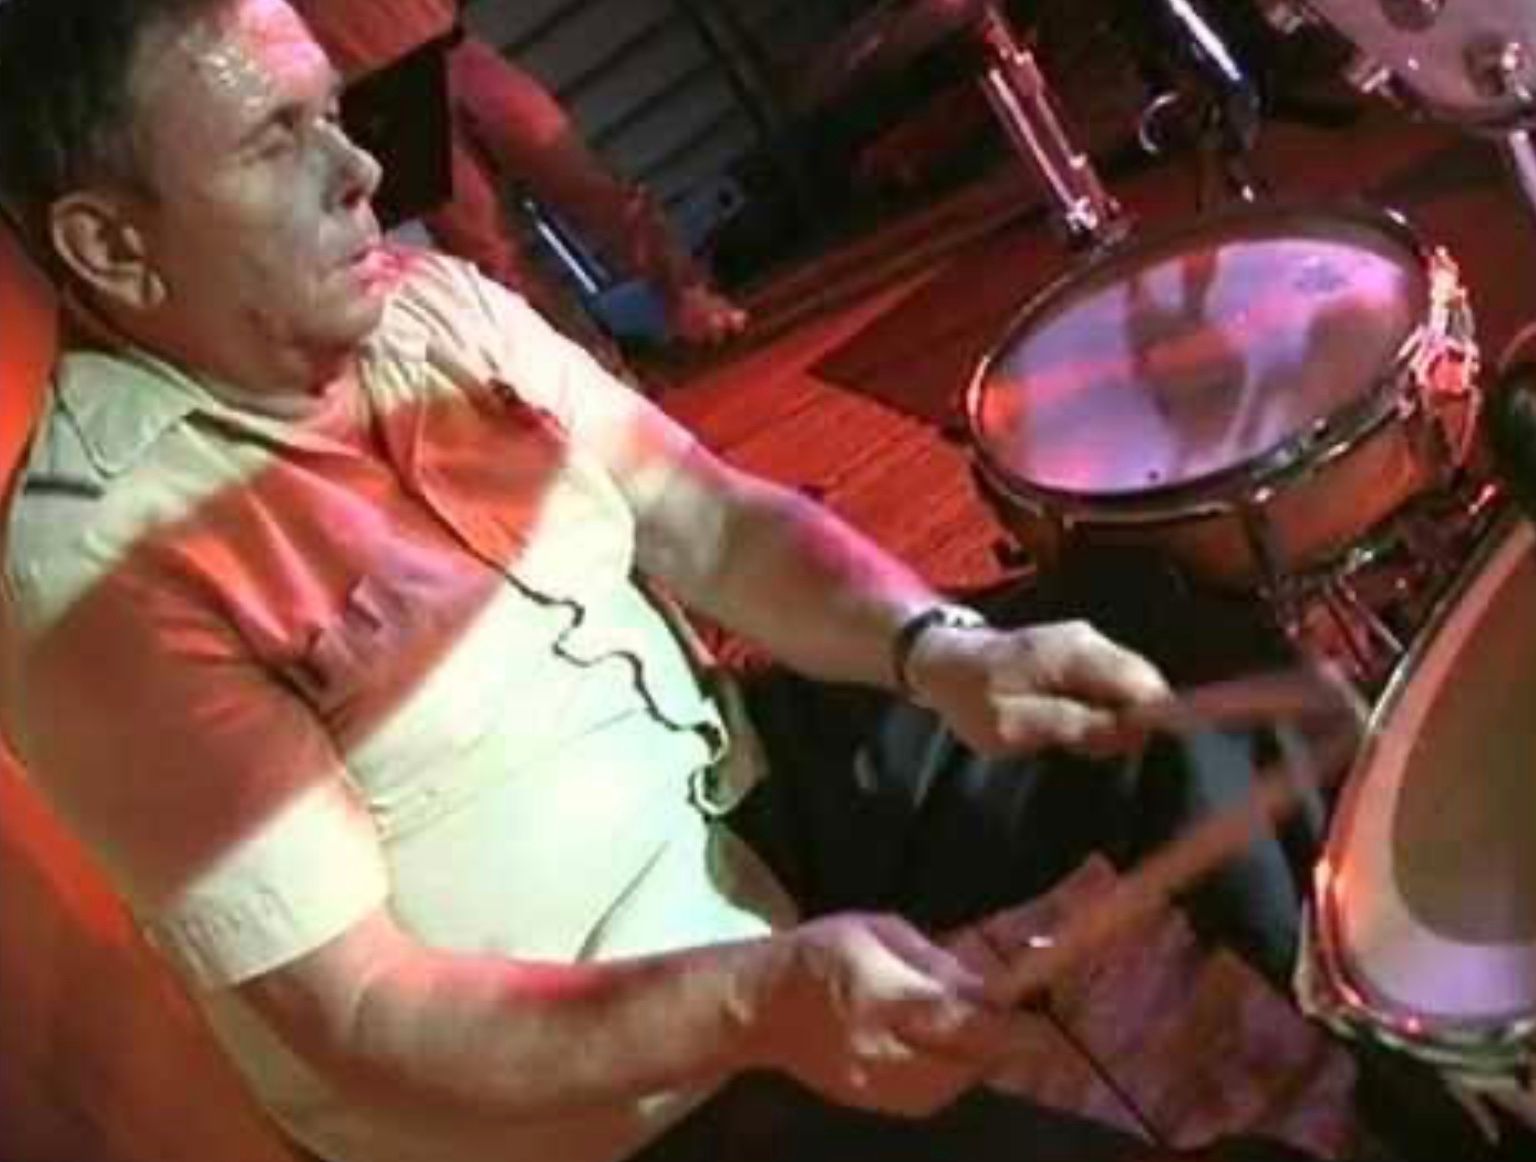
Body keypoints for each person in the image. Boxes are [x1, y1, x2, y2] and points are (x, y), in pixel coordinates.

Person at [0, 2, 1314, 1162]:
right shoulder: (93, 575)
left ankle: (1383, 1020)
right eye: (275, 140)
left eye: (332, 115)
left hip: (724, 792)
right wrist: (754, 999)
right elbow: (358, 1011)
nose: (360, 171)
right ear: (112, 247)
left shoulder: (426, 306)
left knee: (1165, 640)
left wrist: (935, 645)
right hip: (595, 1089)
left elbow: (709, 519)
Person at [291, 0, 748, 358]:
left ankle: (686, 295)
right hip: (381, 95)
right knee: (490, 254)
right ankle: (590, 368)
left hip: (452, 47)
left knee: (583, 178)